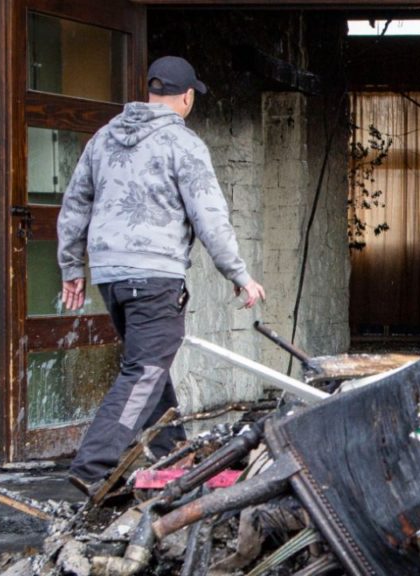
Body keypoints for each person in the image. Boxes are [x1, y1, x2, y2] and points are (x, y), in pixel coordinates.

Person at [57, 55, 266, 496]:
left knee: (151, 365)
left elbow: (75, 204)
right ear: (187, 97)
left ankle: (176, 456)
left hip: (111, 276)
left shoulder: (104, 137)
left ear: (151, 92)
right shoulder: (183, 144)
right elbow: (210, 216)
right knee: (144, 369)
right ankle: (93, 465)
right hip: (153, 276)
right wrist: (240, 274)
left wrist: (72, 267)